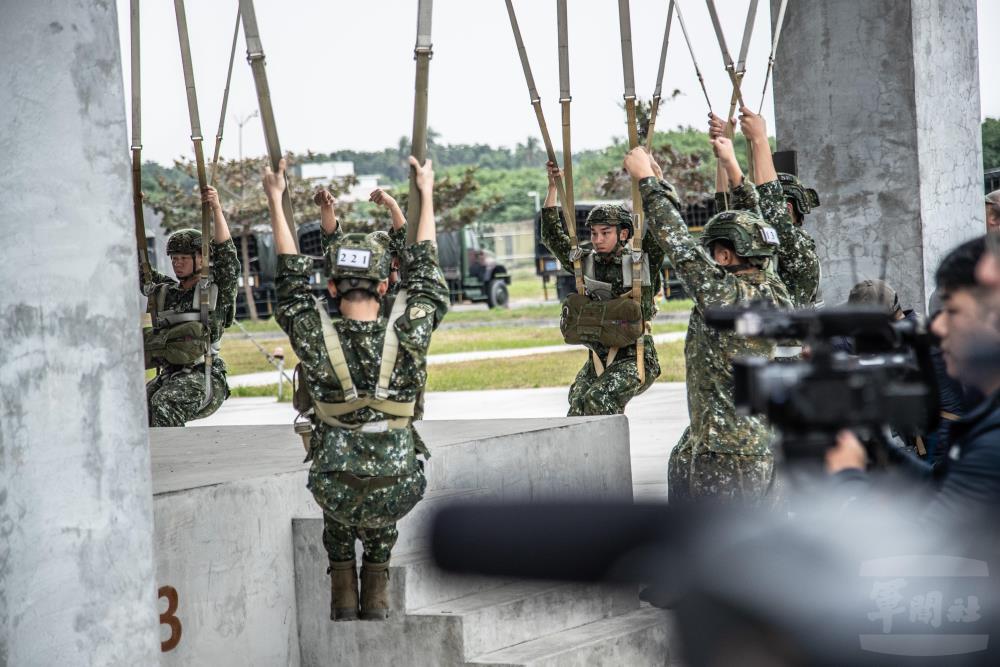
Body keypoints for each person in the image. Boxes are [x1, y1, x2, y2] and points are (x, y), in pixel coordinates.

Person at [265, 156, 448, 622]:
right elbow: (425, 272)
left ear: (330, 286)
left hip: (335, 487)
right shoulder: (410, 329)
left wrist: (275, 198)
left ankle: (343, 587)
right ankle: (378, 579)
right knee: (381, 477)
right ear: (385, 285)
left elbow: (287, 279)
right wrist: (423, 193)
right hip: (398, 489)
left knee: (342, 475)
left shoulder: (311, 331)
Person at [623, 139, 794, 507]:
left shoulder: (727, 296)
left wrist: (648, 184)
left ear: (726, 254)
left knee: (722, 552)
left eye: (714, 250)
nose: (708, 257)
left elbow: (682, 250)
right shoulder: (771, 288)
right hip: (750, 444)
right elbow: (754, 225)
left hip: (728, 453)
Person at [827, 236, 1000, 528]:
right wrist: (878, 448)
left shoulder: (992, 444)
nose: (938, 327)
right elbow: (938, 488)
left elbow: (931, 539)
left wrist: (848, 480)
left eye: (953, 311)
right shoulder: (985, 423)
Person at [539, 162, 664, 415]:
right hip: (599, 357)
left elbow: (663, 224)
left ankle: (609, 456)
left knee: (599, 399)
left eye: (605, 233)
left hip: (635, 357)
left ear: (624, 233)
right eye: (594, 233)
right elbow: (551, 236)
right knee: (577, 402)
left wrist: (655, 182)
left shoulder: (642, 261)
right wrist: (553, 187)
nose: (597, 240)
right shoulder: (585, 263)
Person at [143, 186, 240, 426]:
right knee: (135, 406)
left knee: (164, 403)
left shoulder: (216, 291)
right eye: (174, 258)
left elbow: (228, 258)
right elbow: (138, 268)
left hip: (205, 376)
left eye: (184, 258)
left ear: (201, 258)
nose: (177, 264)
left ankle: (171, 460)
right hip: (169, 375)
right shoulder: (166, 291)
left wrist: (216, 208)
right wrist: (131, 209)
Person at [709, 107, 820, 308]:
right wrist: (725, 150)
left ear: (787, 208)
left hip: (785, 339)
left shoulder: (800, 254)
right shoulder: (755, 248)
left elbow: (776, 220)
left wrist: (759, 139)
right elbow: (725, 210)